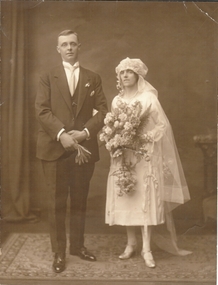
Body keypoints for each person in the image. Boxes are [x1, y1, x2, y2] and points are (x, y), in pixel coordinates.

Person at [101, 57, 191, 268]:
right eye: (122, 72)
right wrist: (115, 142)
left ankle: (146, 248)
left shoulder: (149, 98)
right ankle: (131, 243)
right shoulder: (116, 101)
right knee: (127, 197)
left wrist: (145, 138)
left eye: (129, 72)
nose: (125, 76)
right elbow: (113, 126)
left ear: (137, 76)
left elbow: (162, 126)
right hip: (124, 156)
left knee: (144, 200)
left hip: (143, 156)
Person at [35, 30, 108, 273]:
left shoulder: (92, 77)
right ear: (58, 49)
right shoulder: (47, 76)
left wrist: (85, 133)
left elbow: (103, 111)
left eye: (73, 44)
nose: (69, 48)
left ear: (80, 47)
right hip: (54, 148)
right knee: (56, 203)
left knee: (79, 201)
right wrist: (62, 135)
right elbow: (42, 111)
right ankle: (59, 253)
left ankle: (77, 247)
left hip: (83, 150)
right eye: (64, 45)